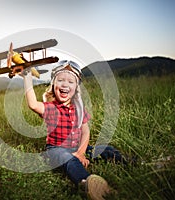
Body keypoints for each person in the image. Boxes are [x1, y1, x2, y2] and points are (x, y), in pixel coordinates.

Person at [22, 60, 110, 199]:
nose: (65, 84)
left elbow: (85, 131)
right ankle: (86, 182)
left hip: (76, 147)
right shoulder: (51, 108)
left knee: (104, 149)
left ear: (76, 88)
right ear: (53, 85)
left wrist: (81, 152)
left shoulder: (79, 109)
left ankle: (135, 162)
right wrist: (27, 77)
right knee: (66, 158)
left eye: (70, 81)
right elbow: (33, 104)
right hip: (56, 149)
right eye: (60, 80)